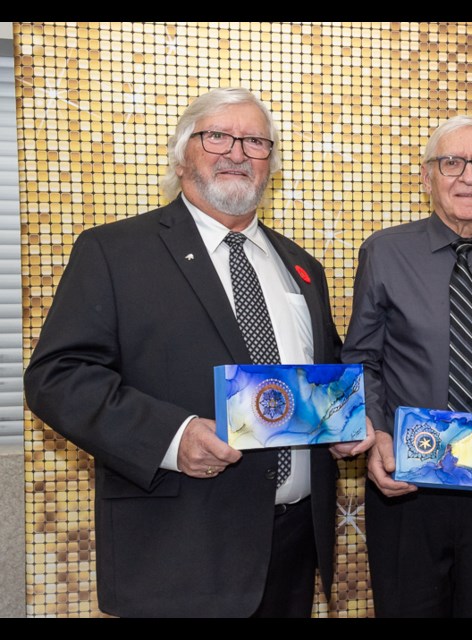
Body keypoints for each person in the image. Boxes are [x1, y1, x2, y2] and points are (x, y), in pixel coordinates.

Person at [23, 87, 373, 617]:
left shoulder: (302, 267)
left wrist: (348, 421)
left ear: (270, 163)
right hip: (179, 555)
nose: (238, 152)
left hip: (294, 549)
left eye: (256, 141)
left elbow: (325, 374)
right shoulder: (115, 252)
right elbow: (57, 376)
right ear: (183, 151)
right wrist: (172, 434)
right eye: (218, 136)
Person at [340, 115, 472, 617]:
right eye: (452, 162)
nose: (468, 177)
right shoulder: (385, 253)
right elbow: (362, 360)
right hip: (408, 491)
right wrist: (377, 434)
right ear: (427, 175)